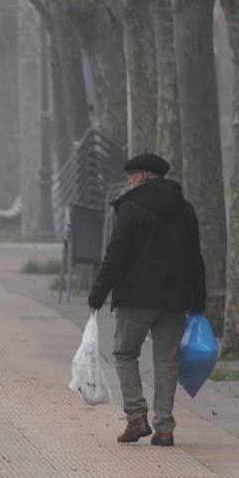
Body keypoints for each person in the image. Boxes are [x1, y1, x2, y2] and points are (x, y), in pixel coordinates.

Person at [87, 152, 206, 447]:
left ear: (144, 177)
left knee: (125, 353)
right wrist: (199, 302)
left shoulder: (131, 208)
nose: (128, 180)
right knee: (167, 360)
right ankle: (164, 428)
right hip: (176, 299)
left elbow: (116, 255)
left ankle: (137, 418)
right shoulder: (185, 209)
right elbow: (196, 259)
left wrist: (98, 294)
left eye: (132, 174)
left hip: (137, 298)